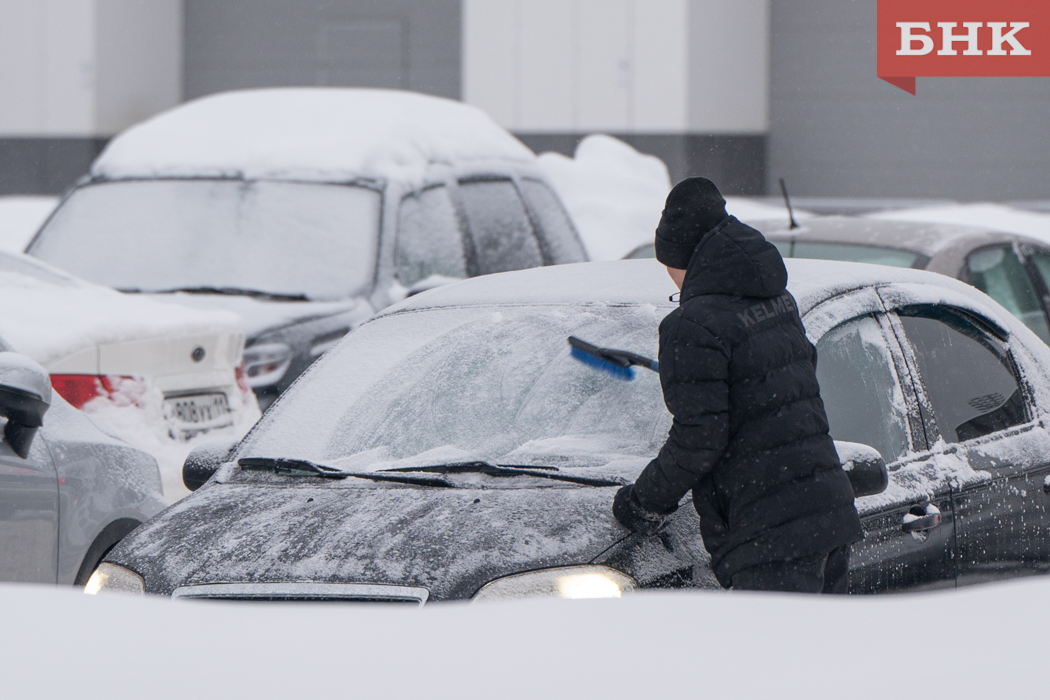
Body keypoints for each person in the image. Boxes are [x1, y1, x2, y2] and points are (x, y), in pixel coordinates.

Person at [612, 176, 863, 593]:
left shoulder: (692, 325)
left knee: (768, 657)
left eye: (668, 267)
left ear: (681, 258)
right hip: (827, 520)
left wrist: (643, 502)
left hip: (767, 536)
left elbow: (699, 437)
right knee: (818, 656)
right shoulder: (776, 300)